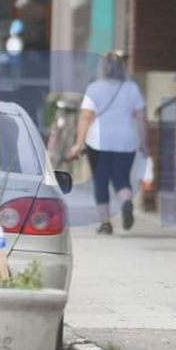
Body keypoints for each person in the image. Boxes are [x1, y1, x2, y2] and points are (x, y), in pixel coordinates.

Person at [68, 50, 148, 235]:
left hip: (99, 142)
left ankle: (105, 223)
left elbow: (85, 118)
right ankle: (126, 202)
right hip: (126, 141)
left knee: (101, 181)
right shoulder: (131, 88)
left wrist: (79, 144)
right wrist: (145, 143)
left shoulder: (94, 88)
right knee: (121, 179)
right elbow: (142, 118)